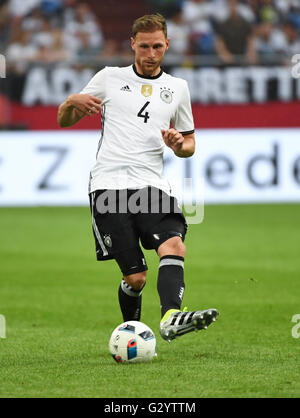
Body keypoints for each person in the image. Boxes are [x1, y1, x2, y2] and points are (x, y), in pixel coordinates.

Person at [57, 13, 218, 342]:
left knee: (174, 245)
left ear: (167, 45)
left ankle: (171, 317)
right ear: (132, 44)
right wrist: (71, 101)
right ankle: (130, 329)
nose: (150, 53)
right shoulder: (109, 77)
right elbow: (64, 119)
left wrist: (178, 145)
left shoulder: (177, 88)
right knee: (137, 278)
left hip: (152, 185)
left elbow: (189, 144)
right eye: (144, 46)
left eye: (157, 46)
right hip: (108, 186)